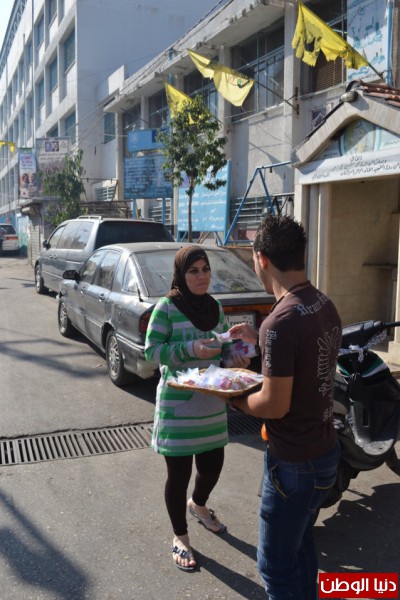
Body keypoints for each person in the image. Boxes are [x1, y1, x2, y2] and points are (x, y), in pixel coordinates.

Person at [227, 215, 342, 600]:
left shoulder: (279, 322)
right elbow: (308, 363)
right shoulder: (322, 303)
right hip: (325, 451)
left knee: (275, 566)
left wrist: (234, 397)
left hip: (294, 463)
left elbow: (273, 405)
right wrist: (262, 341)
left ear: (261, 259)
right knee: (302, 546)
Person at [145, 245, 249, 572]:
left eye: (205, 269)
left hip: (211, 403)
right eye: (193, 271)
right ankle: (181, 536)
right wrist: (190, 348)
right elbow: (151, 351)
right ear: (181, 274)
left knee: (212, 465)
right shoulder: (166, 308)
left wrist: (237, 355)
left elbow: (223, 345)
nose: (201, 276)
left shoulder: (214, 306)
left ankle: (199, 505)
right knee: (178, 476)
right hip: (177, 407)